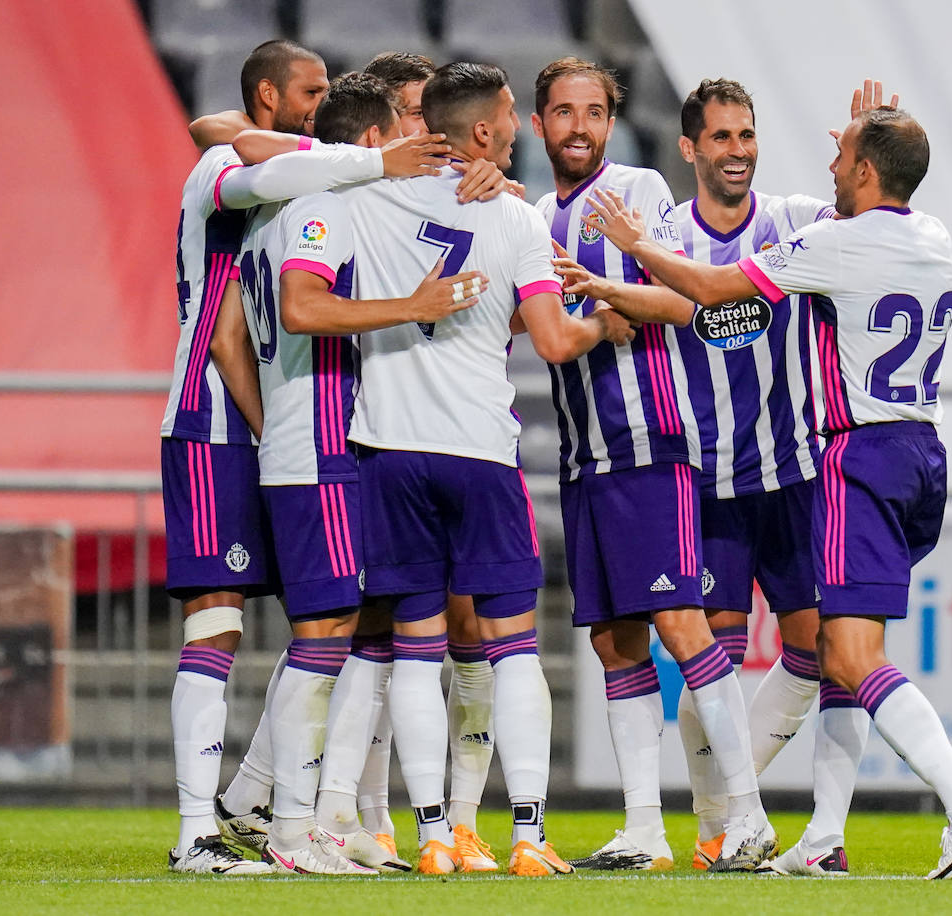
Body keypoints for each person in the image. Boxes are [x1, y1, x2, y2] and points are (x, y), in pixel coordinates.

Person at [572, 103, 952, 880]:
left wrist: (631, 249)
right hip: (917, 454)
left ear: (868, 172)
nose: (831, 168)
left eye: (842, 157)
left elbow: (709, 291)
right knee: (838, 650)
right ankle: (820, 836)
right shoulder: (934, 235)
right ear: (692, 147)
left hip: (852, 458)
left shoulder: (828, 238)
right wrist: (869, 133)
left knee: (849, 653)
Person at [323, 61, 632, 876]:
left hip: (390, 451)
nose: (523, 130)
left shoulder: (367, 196)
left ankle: (428, 839)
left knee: (414, 653)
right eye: (511, 117)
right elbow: (558, 339)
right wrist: (606, 318)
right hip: (481, 456)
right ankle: (528, 836)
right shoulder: (514, 216)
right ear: (487, 134)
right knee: (512, 647)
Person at [163, 38, 448, 876]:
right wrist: (369, 162)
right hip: (215, 423)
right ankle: (196, 832)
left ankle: (276, 804)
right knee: (218, 621)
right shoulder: (225, 167)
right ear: (266, 95)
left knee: (330, 622)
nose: (320, 103)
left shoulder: (304, 186)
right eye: (309, 90)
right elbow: (222, 329)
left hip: (272, 421)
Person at [226, 71, 494, 876]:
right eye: (404, 139)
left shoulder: (285, 210)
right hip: (318, 450)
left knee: (339, 634)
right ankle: (291, 826)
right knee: (324, 638)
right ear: (375, 143)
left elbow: (237, 333)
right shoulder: (319, 209)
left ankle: (308, 815)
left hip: (311, 446)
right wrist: (414, 306)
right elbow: (304, 309)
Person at [529, 57, 773, 873]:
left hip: (650, 444)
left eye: (593, 112)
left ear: (610, 122)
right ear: (540, 125)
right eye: (564, 112)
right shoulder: (531, 215)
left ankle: (745, 815)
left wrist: (607, 294)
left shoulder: (632, 193)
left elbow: (689, 302)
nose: (579, 127)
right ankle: (643, 828)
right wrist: (600, 311)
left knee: (681, 625)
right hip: (584, 453)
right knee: (613, 642)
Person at [308, 50, 507, 874]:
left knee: (446, 629)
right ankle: (346, 812)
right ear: (385, 125)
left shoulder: (473, 200)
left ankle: (447, 821)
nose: (429, 133)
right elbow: (226, 136)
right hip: (370, 430)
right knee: (367, 630)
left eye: (436, 116)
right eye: (415, 117)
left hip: (440, 426)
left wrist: (500, 188)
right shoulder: (348, 188)